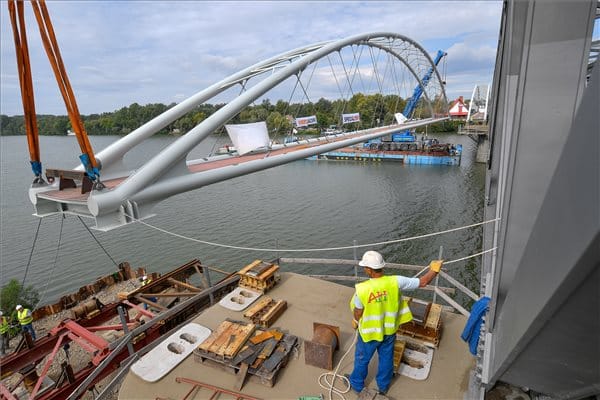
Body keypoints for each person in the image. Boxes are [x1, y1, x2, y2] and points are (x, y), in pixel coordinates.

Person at [348, 250, 443, 394]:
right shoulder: (396, 281)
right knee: (386, 358)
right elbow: (423, 282)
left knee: (362, 359)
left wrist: (355, 320)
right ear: (381, 266)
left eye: (364, 267)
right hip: (389, 330)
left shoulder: (362, 289)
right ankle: (383, 386)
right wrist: (434, 270)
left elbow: (358, 311)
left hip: (369, 333)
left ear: (368, 269)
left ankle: (356, 385)